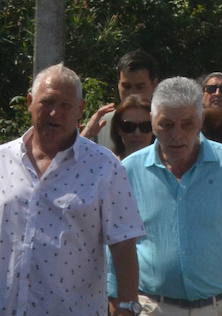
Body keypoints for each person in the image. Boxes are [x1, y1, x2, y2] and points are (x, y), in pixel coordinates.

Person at [121, 76, 222, 315]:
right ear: (153, 122)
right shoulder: (129, 171)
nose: (177, 134)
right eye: (166, 124)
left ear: (199, 121)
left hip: (221, 307)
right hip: (152, 308)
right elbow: (118, 248)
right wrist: (119, 305)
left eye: (187, 124)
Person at [0, 64, 143, 316]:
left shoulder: (105, 167)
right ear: (29, 102)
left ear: (81, 109)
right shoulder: (3, 160)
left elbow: (123, 245)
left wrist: (127, 306)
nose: (55, 113)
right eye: (47, 102)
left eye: (66, 105)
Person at [83, 49, 159, 152]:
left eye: (140, 87)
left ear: (154, 85)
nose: (133, 93)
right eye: (127, 87)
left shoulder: (171, 124)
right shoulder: (101, 125)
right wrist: (86, 135)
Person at [111, 95, 155, 159]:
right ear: (118, 128)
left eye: (145, 126)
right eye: (129, 126)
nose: (137, 133)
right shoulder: (107, 166)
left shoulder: (168, 166)